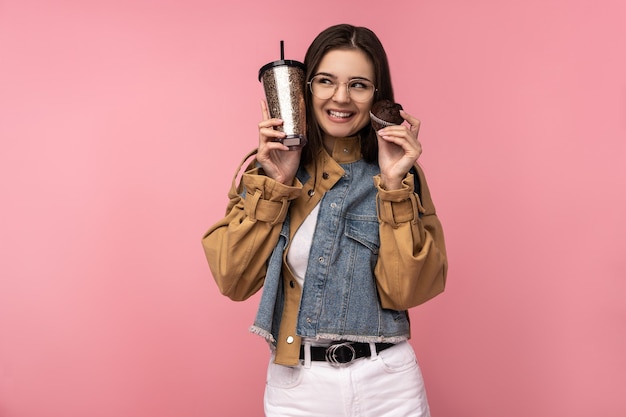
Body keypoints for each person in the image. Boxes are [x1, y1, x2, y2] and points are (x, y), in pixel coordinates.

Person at [202, 23, 448, 417]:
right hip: (298, 389)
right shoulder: (267, 171)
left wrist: (392, 184)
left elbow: (409, 291)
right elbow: (233, 278)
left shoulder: (402, 178)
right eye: (326, 81)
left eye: (359, 85)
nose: (341, 97)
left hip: (389, 386)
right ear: (305, 88)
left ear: (377, 96)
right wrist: (277, 185)